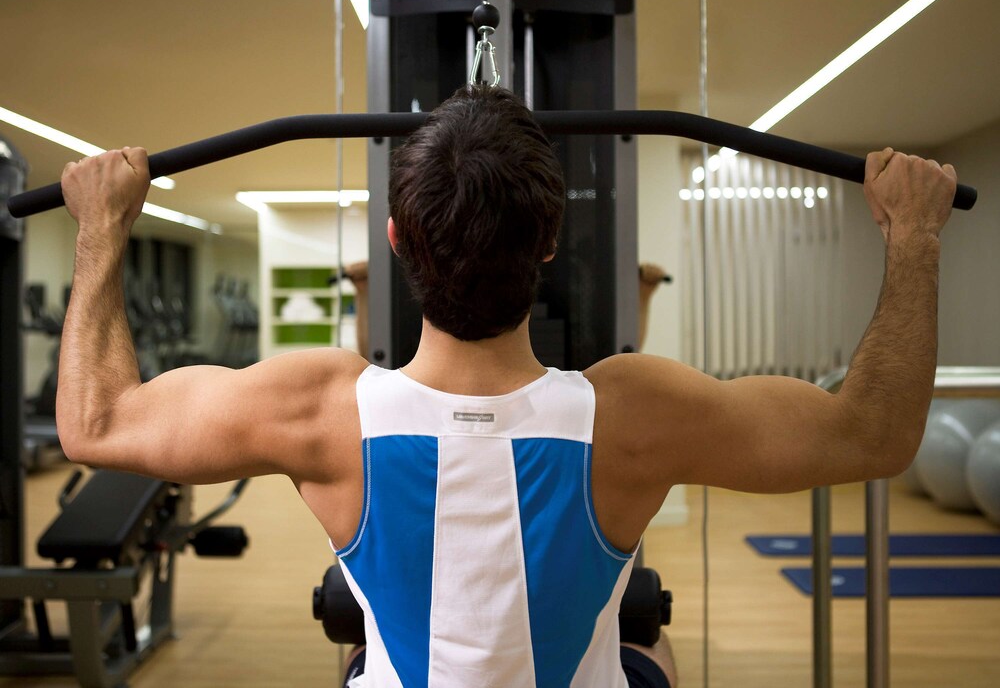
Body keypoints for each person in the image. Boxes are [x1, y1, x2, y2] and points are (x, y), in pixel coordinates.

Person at [56, 85, 956, 688]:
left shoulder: (320, 408)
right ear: (552, 242)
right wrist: (913, 239)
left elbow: (95, 424)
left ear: (400, 246)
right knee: (651, 644)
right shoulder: (633, 412)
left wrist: (101, 228)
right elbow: (871, 433)